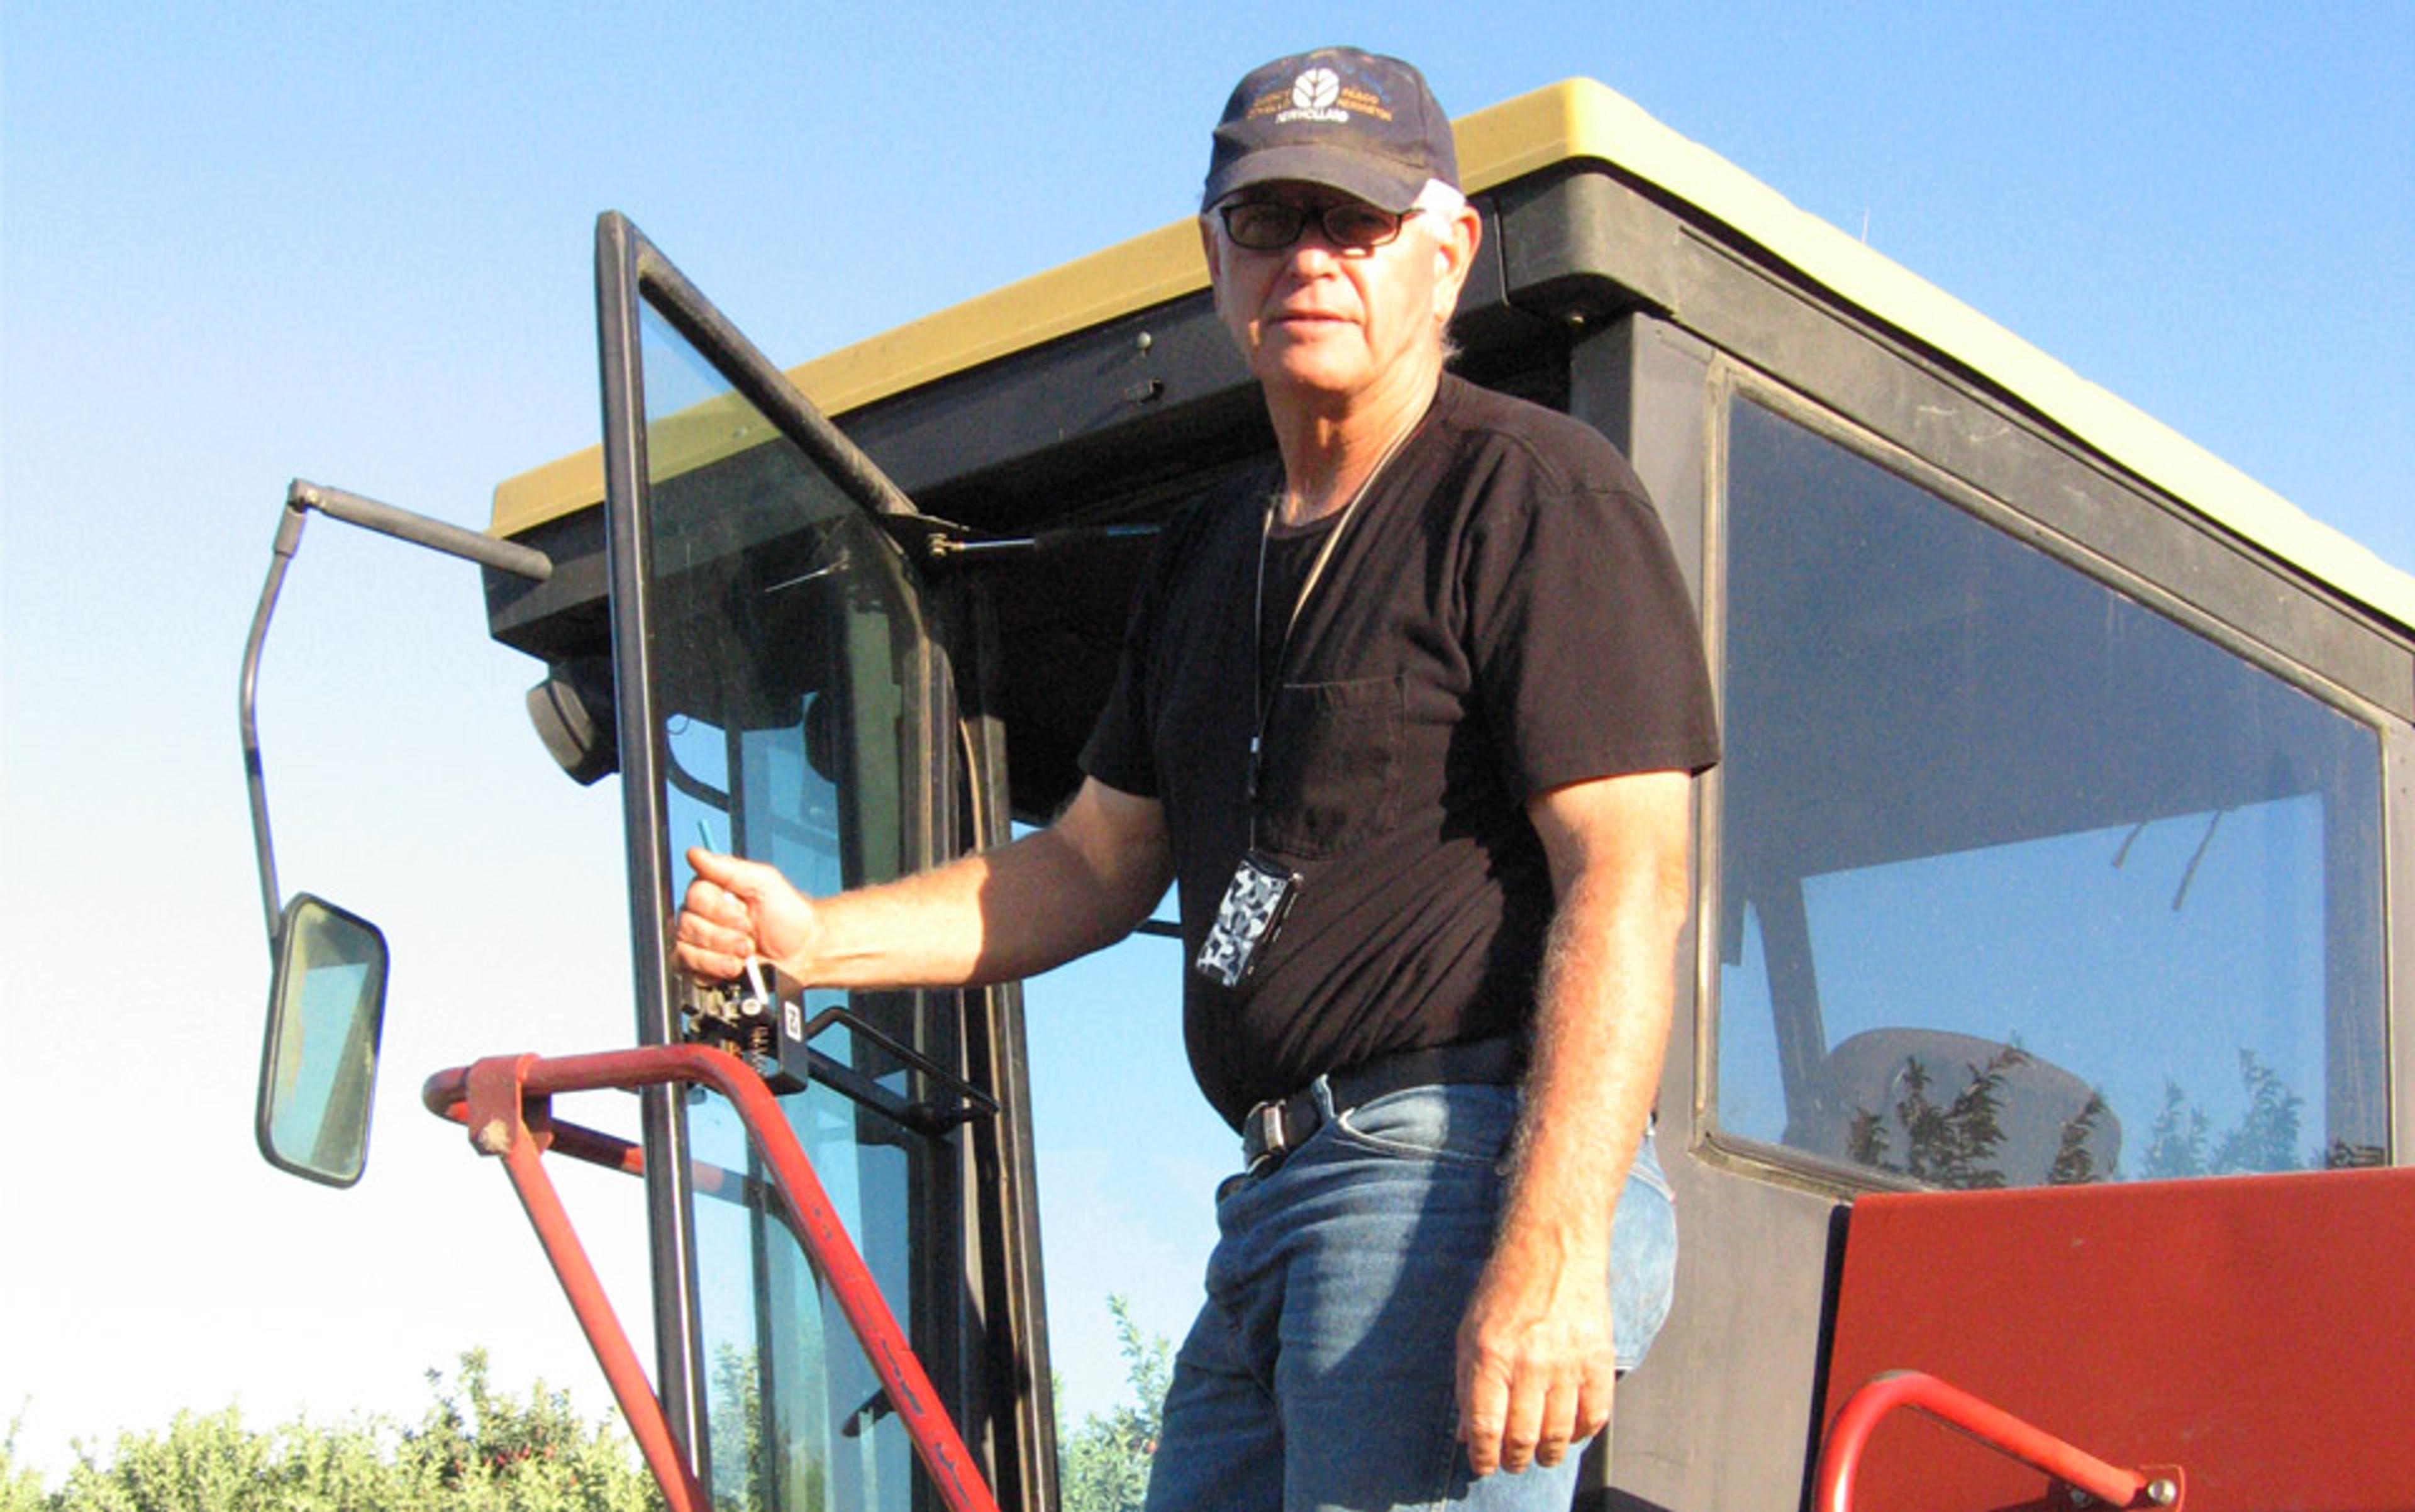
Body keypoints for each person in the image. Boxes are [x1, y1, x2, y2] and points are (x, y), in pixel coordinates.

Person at [674, 45, 1718, 1511]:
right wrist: (813, 938)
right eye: (1272, 219)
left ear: (1448, 250)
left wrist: (1550, 1249)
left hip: (1452, 1166)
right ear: (1215, 256)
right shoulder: (1207, 554)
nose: (1313, 258)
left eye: (1356, 221)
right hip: (1274, 1197)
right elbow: (1092, 864)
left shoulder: (1531, 492)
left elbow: (1630, 874)